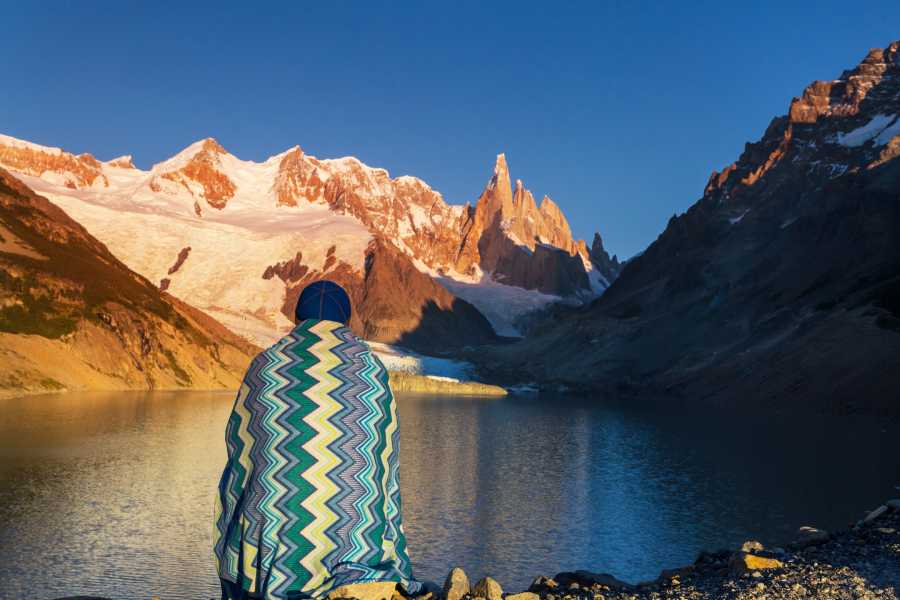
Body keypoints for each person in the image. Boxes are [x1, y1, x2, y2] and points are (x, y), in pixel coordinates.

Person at [214, 280, 423, 600]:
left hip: (270, 542)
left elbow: (240, 459)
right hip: (356, 544)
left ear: (298, 318)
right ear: (346, 319)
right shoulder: (370, 370)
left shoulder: (265, 366)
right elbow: (385, 470)